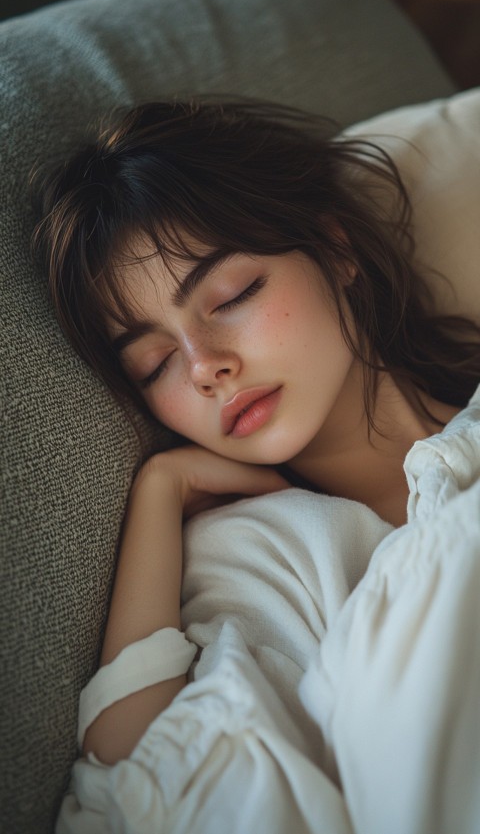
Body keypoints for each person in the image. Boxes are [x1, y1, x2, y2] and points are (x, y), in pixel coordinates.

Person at [32, 99, 480, 831]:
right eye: (154, 363)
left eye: (232, 295)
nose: (207, 367)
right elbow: (153, 774)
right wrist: (159, 488)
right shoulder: (262, 544)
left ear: (336, 249)